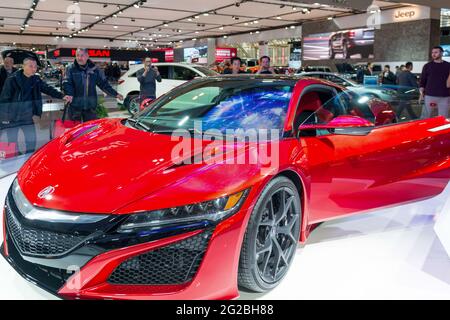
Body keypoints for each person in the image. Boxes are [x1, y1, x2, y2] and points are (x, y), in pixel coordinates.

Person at [0, 57, 70, 154]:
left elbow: (47, 88)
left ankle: (28, 158)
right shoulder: (12, 79)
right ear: (23, 66)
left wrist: (62, 96)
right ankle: (15, 160)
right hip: (13, 117)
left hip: (28, 116)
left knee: (31, 141)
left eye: (35, 66)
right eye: (31, 66)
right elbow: (4, 100)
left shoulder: (35, 79)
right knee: (13, 142)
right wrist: (5, 118)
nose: (34, 69)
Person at [63, 48, 123, 122]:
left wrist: (115, 94)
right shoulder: (70, 69)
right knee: (75, 130)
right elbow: (67, 83)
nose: (79, 58)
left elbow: (103, 84)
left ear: (87, 56)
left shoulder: (95, 70)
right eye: (77, 55)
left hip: (90, 106)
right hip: (75, 106)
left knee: (90, 129)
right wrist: (69, 95)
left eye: (82, 55)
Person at [419, 46, 450, 119]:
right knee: (426, 117)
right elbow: (423, 81)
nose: (433, 54)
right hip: (430, 95)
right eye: (432, 52)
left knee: (443, 118)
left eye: (436, 52)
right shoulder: (427, 66)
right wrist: (421, 94)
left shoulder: (448, 65)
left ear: (442, 53)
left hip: (445, 96)